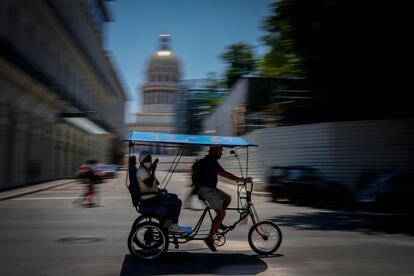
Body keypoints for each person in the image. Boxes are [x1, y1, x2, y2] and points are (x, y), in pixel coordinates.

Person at [197, 145, 252, 251]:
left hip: (211, 189)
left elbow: (223, 173)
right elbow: (224, 174)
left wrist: (238, 179)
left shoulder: (210, 160)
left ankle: (218, 222)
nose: (221, 153)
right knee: (222, 213)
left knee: (227, 198)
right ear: (214, 151)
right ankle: (209, 239)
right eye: (220, 151)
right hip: (207, 191)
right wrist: (241, 179)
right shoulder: (210, 162)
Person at [133, 151, 185, 233]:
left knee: (174, 196)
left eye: (150, 160)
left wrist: (151, 170)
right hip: (150, 198)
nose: (149, 162)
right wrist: (153, 171)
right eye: (147, 160)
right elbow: (150, 184)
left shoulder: (145, 170)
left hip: (154, 196)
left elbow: (157, 182)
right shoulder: (142, 171)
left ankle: (167, 223)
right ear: (142, 160)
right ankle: (174, 225)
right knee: (178, 202)